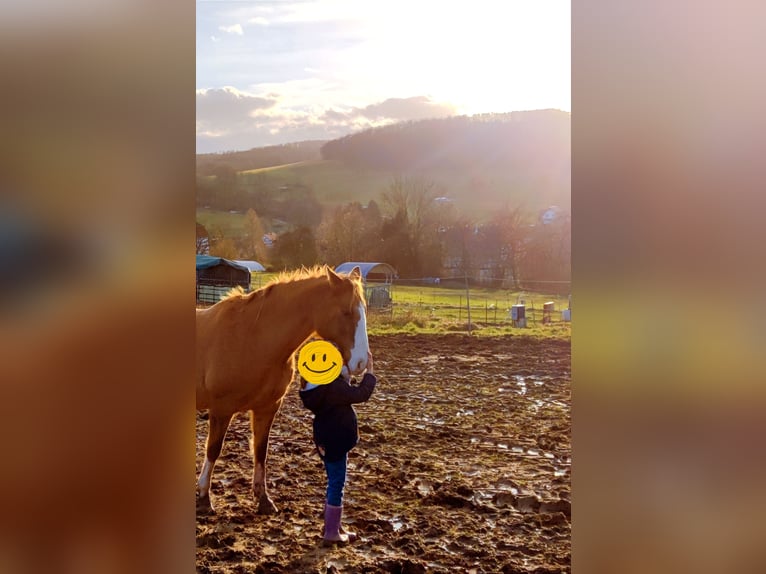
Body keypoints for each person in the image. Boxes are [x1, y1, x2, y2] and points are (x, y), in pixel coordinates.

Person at [299, 349, 376, 545]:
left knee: (334, 481)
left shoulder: (315, 387)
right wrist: (370, 371)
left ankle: (333, 525)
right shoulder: (332, 388)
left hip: (326, 439)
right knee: (336, 484)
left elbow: (345, 391)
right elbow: (361, 394)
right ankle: (331, 531)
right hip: (336, 440)